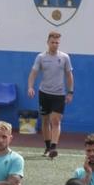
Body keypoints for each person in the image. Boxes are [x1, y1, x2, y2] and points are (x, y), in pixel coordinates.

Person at [26, 30, 74, 159]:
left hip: (59, 94)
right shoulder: (41, 57)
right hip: (44, 93)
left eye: (57, 42)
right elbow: (33, 73)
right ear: (48, 42)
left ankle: (54, 147)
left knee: (56, 120)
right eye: (52, 42)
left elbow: (69, 75)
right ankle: (47, 147)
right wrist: (30, 87)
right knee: (45, 120)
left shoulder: (64, 57)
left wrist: (70, 92)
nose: (55, 44)